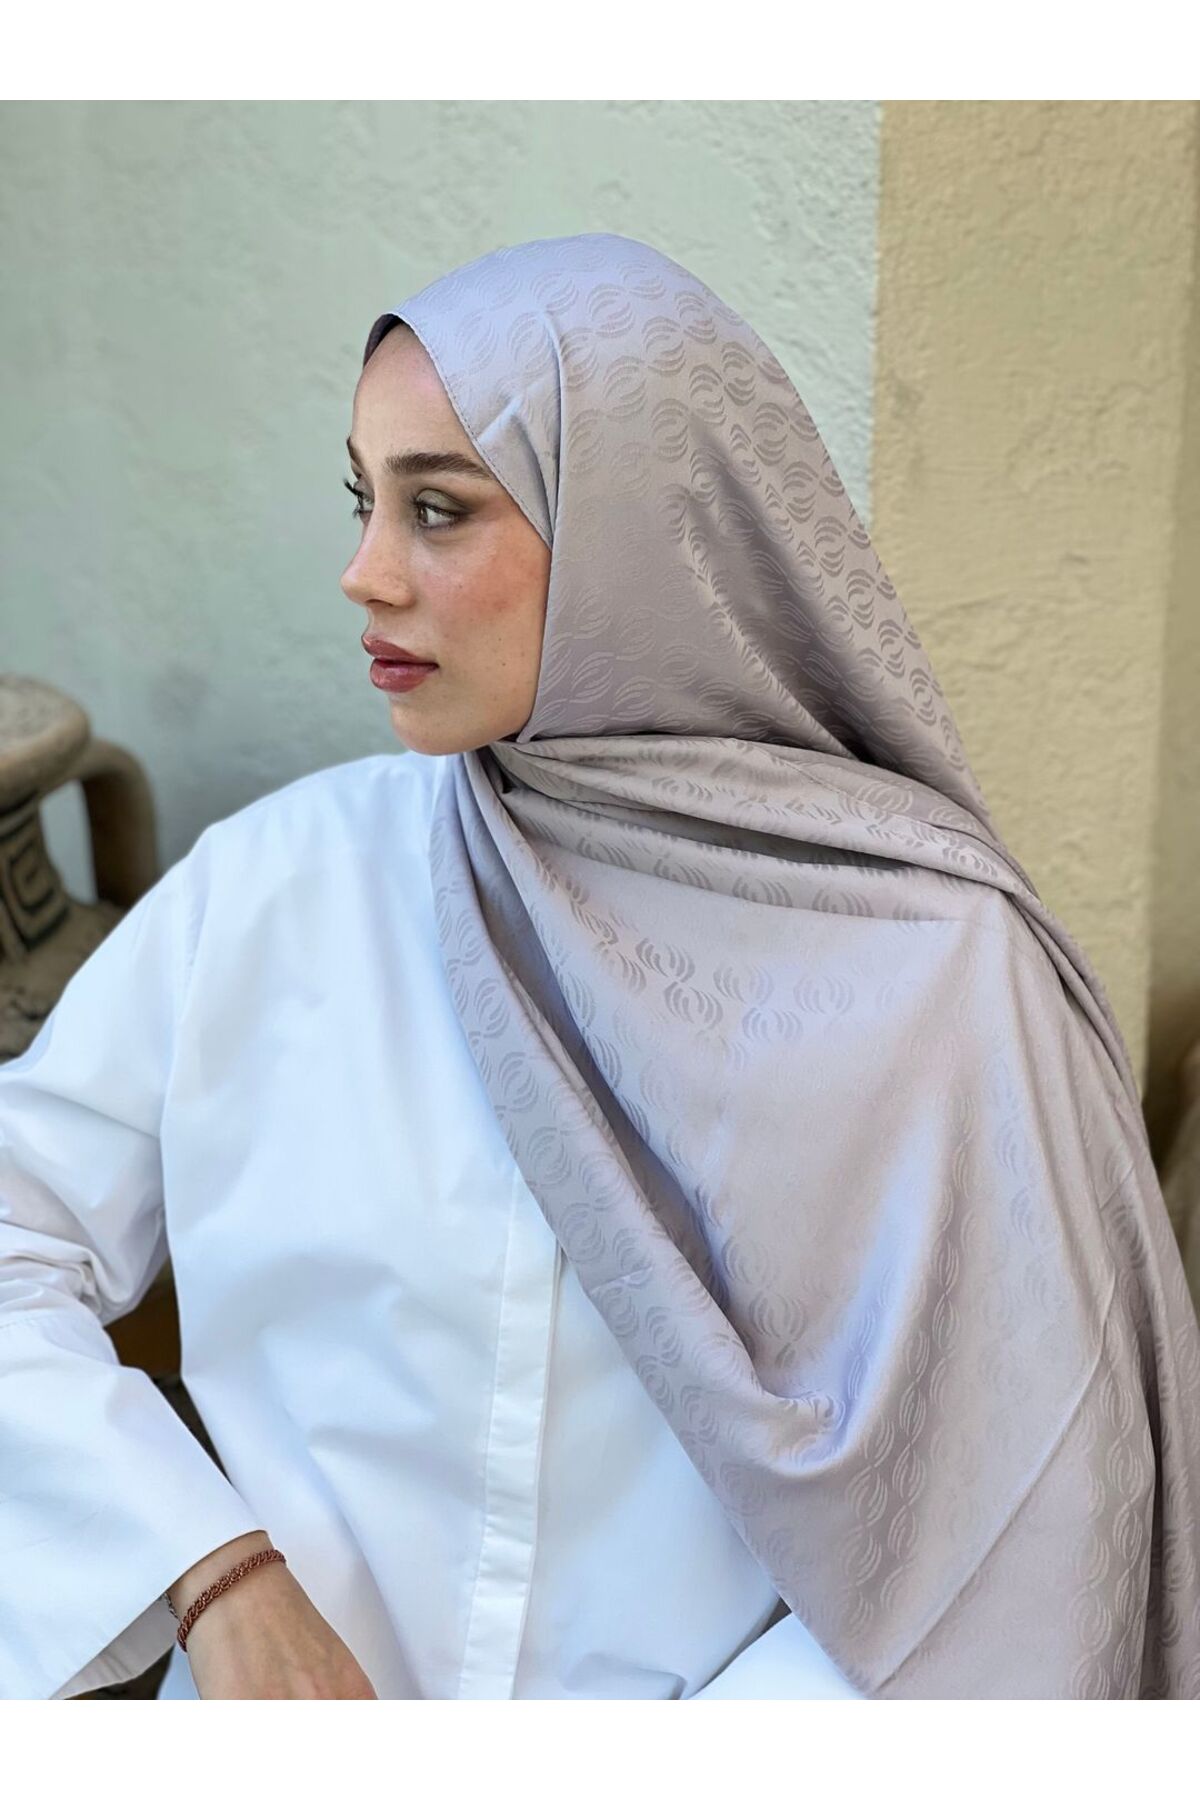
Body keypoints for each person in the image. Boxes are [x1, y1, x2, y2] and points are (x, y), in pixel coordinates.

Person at [1, 232, 1197, 1701]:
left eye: (438, 509)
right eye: (364, 500)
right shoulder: (279, 886)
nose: (363, 574)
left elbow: (1013, 1549)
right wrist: (213, 1574)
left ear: (645, 534)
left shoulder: (943, 979)